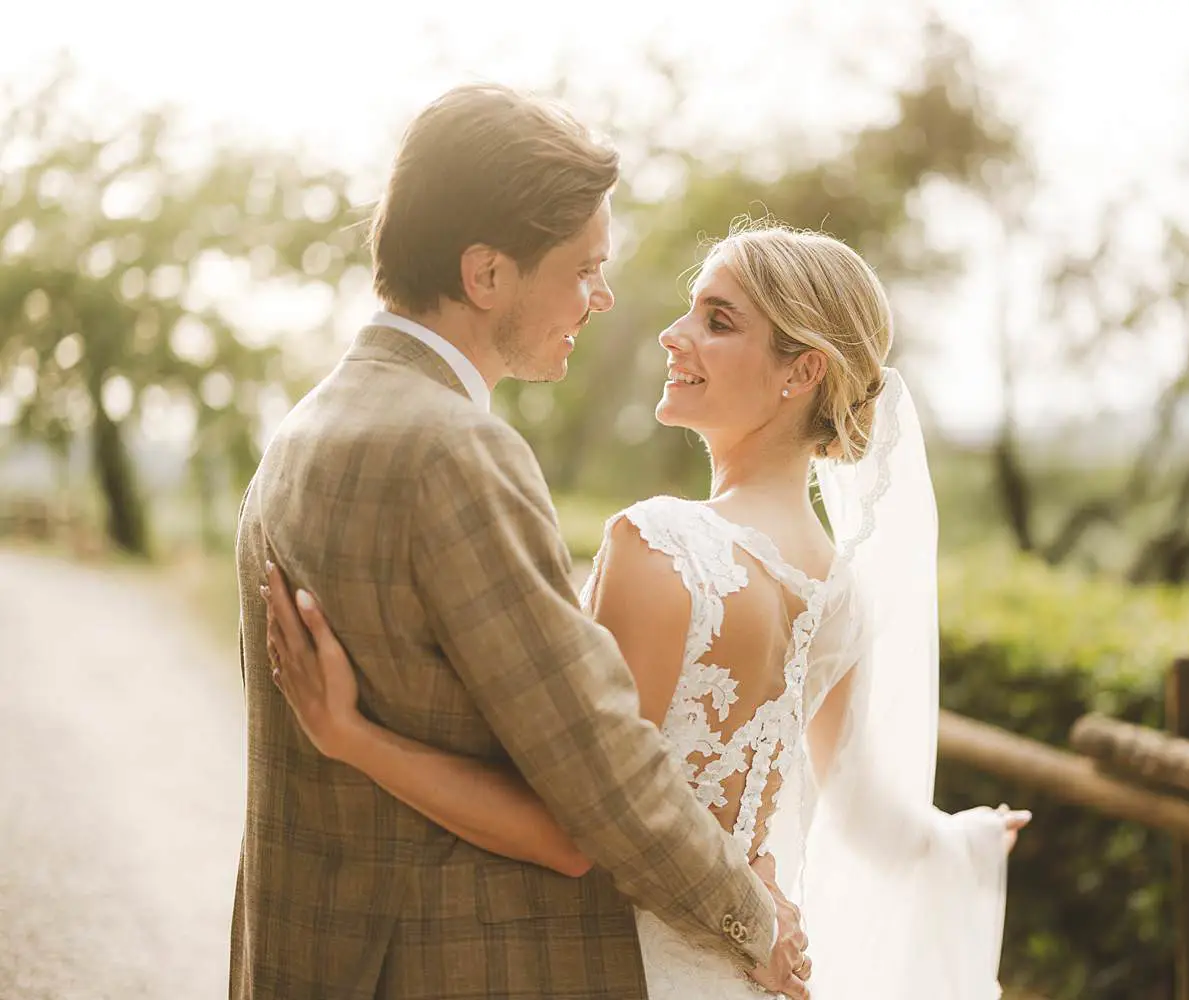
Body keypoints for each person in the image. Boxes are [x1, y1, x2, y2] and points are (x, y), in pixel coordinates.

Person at [261, 220, 1031, 998]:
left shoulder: (663, 544)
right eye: (691, 310)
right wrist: (963, 841)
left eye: (717, 321)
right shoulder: (840, 593)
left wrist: (351, 736)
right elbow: (868, 818)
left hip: (616, 969)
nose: (673, 334)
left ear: (801, 372)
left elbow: (570, 825)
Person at [231, 85, 811, 1000]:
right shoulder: (457, 452)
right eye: (583, 269)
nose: (602, 297)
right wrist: (752, 917)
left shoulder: (303, 432)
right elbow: (601, 777)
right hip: (450, 966)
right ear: (487, 275)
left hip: (309, 955)